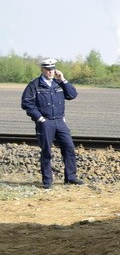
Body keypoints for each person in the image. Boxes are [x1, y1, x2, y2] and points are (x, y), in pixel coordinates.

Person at [21, 58, 84, 188]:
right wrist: (39, 118)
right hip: (45, 123)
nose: (50, 72)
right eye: (47, 69)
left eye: (52, 69)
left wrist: (63, 80)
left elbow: (72, 95)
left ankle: (70, 178)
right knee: (47, 152)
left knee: (69, 148)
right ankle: (47, 181)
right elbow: (26, 102)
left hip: (60, 122)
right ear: (42, 70)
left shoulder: (58, 83)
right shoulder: (35, 84)